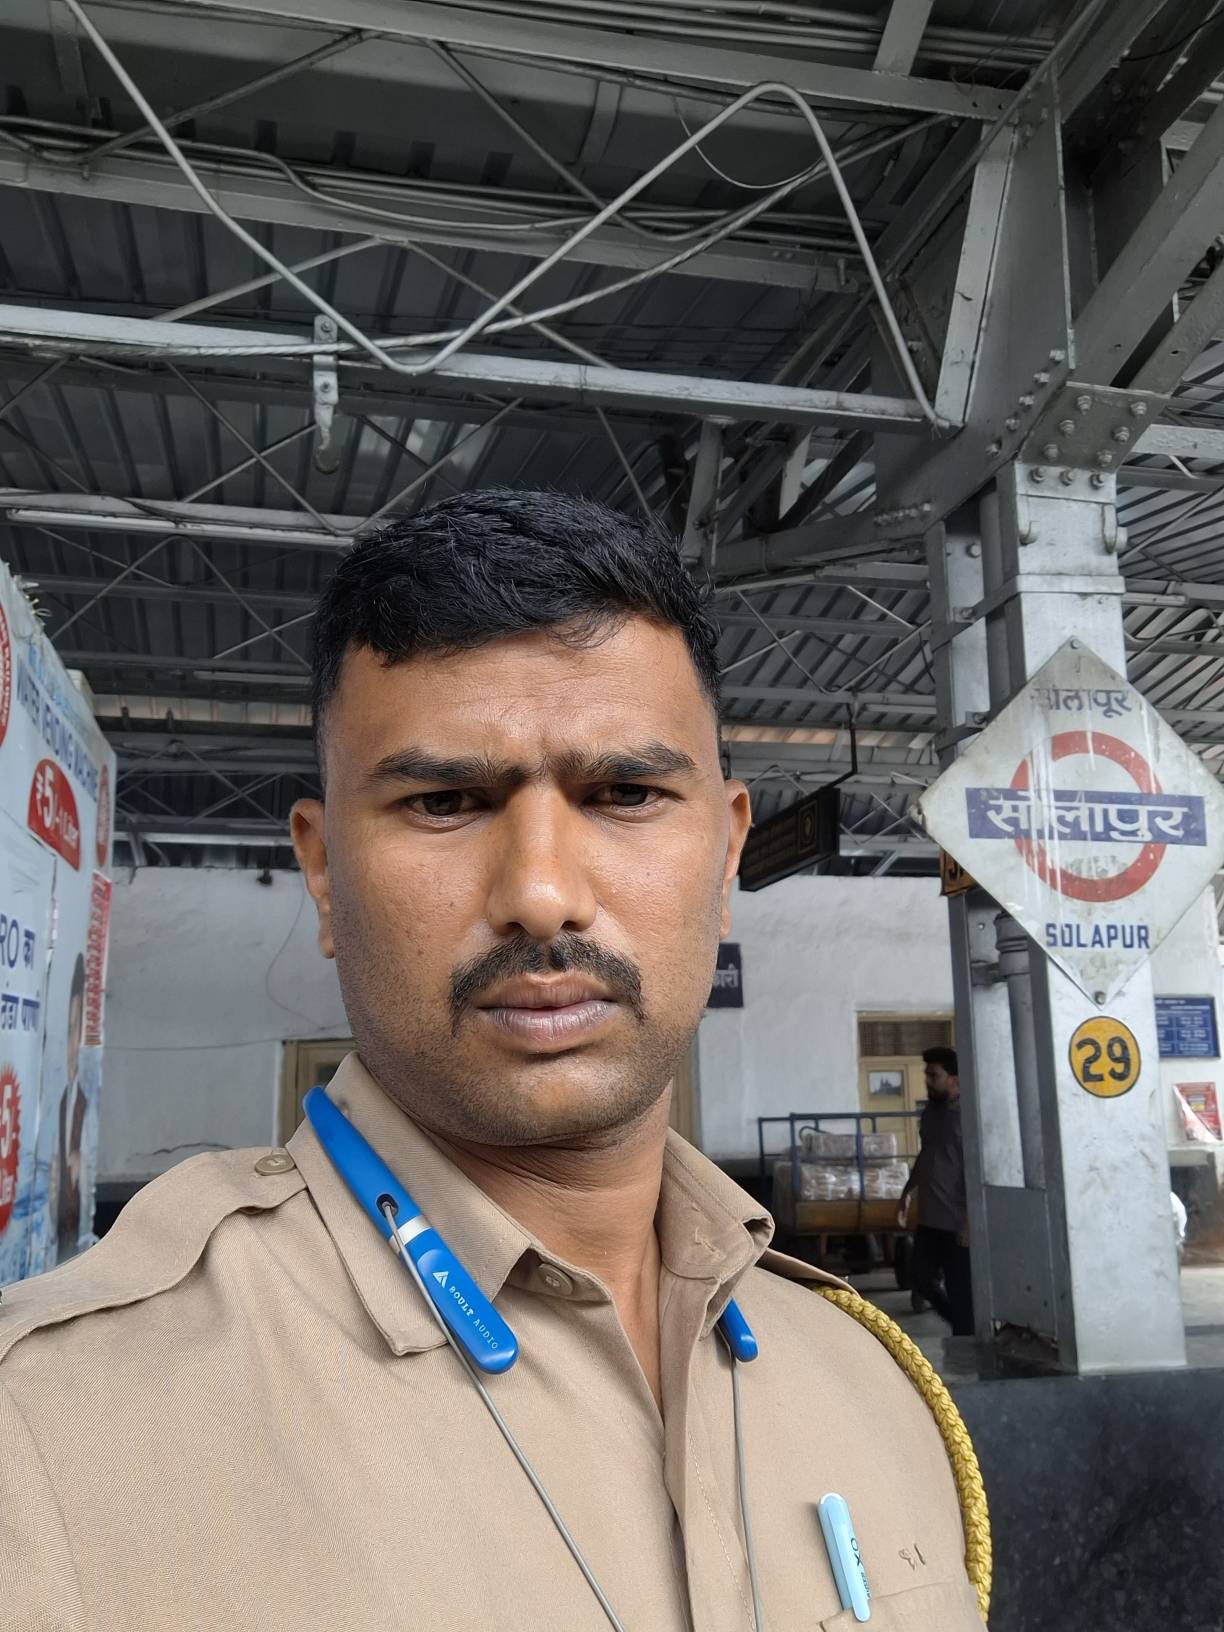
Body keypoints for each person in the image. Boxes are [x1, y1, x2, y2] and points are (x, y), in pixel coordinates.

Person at [0, 492, 985, 1630]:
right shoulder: (53, 1438)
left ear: (725, 856)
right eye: (445, 801)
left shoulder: (875, 1387)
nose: (542, 894)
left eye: (625, 793)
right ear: (322, 873)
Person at [899, 1046, 974, 1338]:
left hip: (958, 1224)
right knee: (920, 1277)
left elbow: (974, 1169)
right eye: (927, 1075)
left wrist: (969, 1220)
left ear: (955, 1080)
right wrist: (907, 1191)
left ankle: (965, 1336)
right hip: (930, 1218)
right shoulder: (931, 1114)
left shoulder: (969, 1117)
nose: (928, 1081)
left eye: (934, 1075)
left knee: (960, 1290)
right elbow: (926, 1155)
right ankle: (961, 1323)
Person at [53, 954, 88, 1262]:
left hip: (72, 1251)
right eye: (67, 1029)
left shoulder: (83, 1104)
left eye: (75, 1030)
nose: (70, 1045)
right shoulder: (60, 1101)